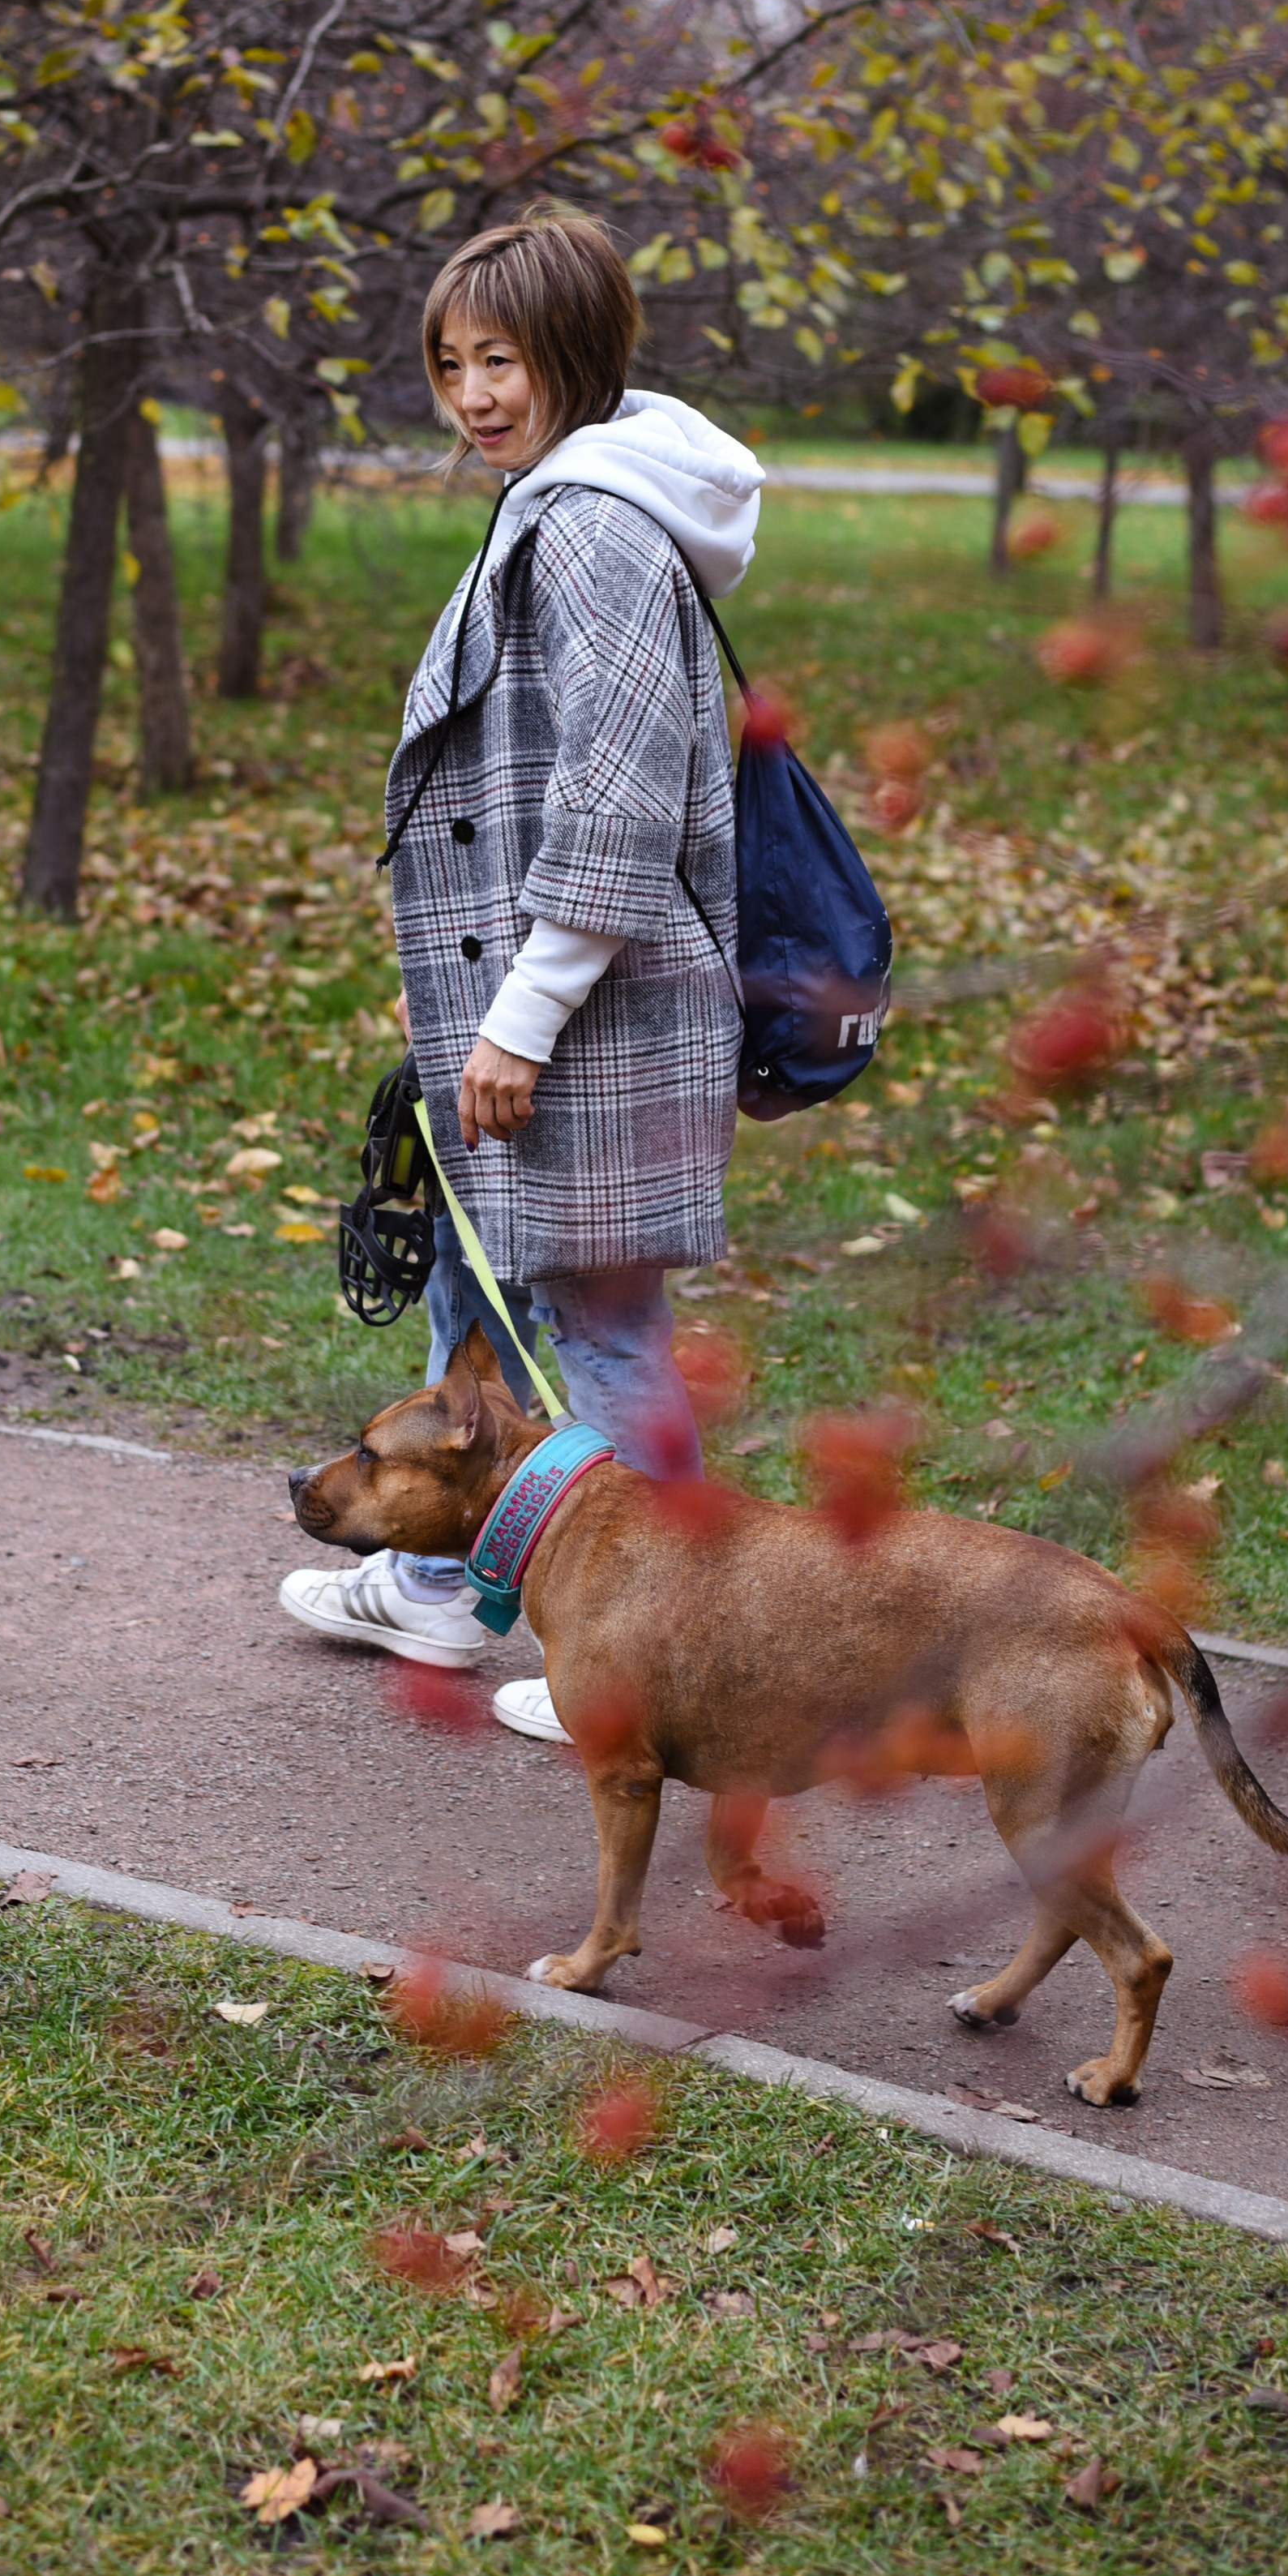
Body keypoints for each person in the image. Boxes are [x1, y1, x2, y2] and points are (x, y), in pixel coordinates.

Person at [278, 205, 761, 1738]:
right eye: (451, 363)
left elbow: (616, 796)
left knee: (602, 1327)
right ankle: (443, 1583)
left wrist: (524, 1016)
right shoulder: (552, 501)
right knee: (475, 1303)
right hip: (533, 1009)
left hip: (591, 1017)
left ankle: (669, 1658)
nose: (476, 393)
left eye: (506, 359)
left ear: (579, 355)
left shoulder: (600, 525)